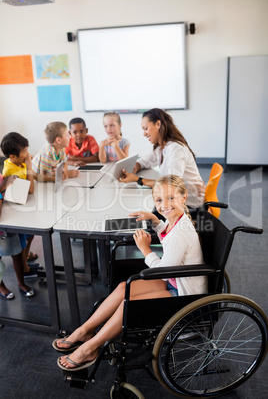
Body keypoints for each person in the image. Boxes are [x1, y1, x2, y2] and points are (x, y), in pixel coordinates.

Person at [54, 175, 207, 371]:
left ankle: (90, 348)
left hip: (184, 293)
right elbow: (167, 234)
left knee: (130, 302)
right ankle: (84, 331)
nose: (164, 204)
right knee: (123, 288)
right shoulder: (177, 220)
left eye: (171, 198)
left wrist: (145, 250)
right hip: (176, 280)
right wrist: (154, 220)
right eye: (159, 200)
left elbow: (162, 271)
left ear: (183, 198)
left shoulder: (180, 233)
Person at [119, 108, 205, 217]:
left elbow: (171, 185)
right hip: (175, 198)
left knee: (144, 217)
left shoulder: (175, 149)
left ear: (158, 124)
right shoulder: (160, 147)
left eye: (146, 128)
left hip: (190, 205)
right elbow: (143, 162)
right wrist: (133, 167)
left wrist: (137, 179)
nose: (144, 134)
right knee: (144, 214)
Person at [1, 132, 39, 278]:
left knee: (30, 237)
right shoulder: (10, 170)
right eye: (24, 151)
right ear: (12, 156)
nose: (27, 153)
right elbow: (30, 190)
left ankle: (26, 258)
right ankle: (24, 268)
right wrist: (29, 166)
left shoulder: (18, 162)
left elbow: (34, 177)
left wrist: (52, 177)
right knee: (23, 240)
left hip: (24, 209)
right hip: (17, 215)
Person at [0, 174, 34, 298]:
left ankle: (21, 283)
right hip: (2, 225)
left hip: (7, 225)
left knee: (17, 254)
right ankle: (1, 286)